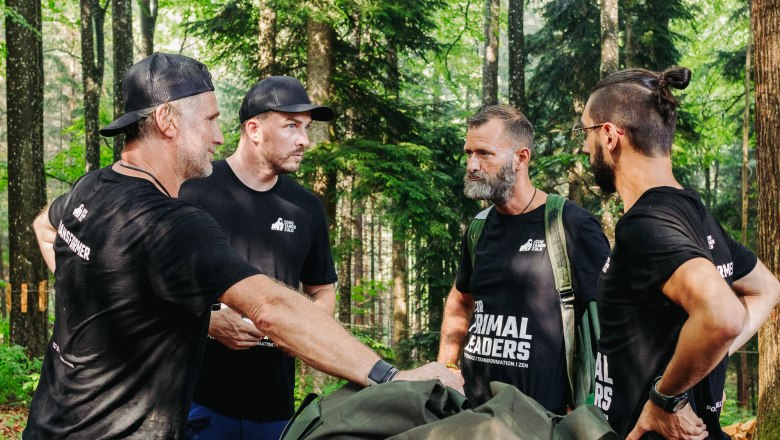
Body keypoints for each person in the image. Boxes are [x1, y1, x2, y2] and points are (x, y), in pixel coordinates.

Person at [24, 53, 463, 440]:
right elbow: (271, 307)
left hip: (50, 422)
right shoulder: (172, 222)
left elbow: (45, 226)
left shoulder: (92, 188)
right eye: (211, 120)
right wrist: (393, 376)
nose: (218, 136)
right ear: (167, 121)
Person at [579, 66, 780, 440]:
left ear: (608, 135)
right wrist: (707, 360)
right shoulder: (695, 213)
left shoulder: (646, 226)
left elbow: (722, 315)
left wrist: (664, 399)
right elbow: (766, 289)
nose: (584, 145)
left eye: (585, 132)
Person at [179, 76, 337, 439]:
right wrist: (208, 322)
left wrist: (300, 330)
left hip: (275, 409)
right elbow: (151, 282)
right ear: (254, 129)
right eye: (291, 126)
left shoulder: (306, 207)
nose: (304, 141)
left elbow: (323, 290)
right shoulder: (193, 190)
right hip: (198, 401)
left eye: (307, 129)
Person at [437, 105, 610, 414]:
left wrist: (588, 404)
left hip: (542, 420)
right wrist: (448, 366)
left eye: (484, 153)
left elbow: (614, 322)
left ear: (521, 158)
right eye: (468, 153)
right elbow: (461, 299)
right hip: (472, 417)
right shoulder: (479, 227)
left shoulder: (571, 225)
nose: (472, 165)